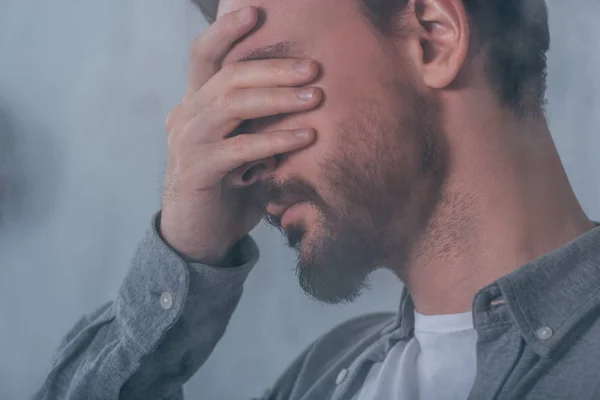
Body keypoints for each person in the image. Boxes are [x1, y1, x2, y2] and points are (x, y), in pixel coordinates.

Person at [34, 0, 600, 399]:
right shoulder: (324, 376)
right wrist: (185, 254)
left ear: (433, 38)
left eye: (264, 86)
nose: (239, 154)